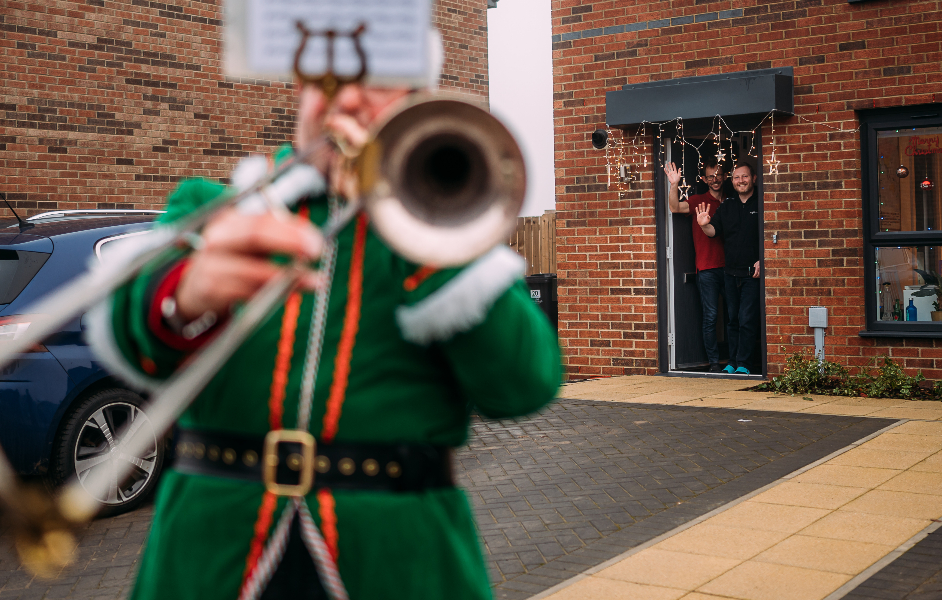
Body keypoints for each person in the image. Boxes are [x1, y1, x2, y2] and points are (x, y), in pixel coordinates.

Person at [88, 80, 562, 600]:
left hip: (401, 555)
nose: (350, 100)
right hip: (211, 548)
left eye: (377, 81)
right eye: (327, 80)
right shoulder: (215, 207)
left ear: (414, 101)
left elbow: (525, 383)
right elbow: (121, 332)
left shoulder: (450, 230)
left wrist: (419, 217)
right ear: (300, 91)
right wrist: (184, 295)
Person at [695, 161, 760, 375]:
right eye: (737, 178)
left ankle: (745, 364)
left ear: (754, 179)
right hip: (730, 272)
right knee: (732, 320)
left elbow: (771, 235)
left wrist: (763, 259)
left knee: (747, 320)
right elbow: (714, 232)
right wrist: (704, 224)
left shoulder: (762, 202)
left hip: (753, 273)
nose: (741, 181)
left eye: (744, 177)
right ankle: (732, 362)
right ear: (732, 182)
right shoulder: (728, 205)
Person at [664, 158, 727, 372]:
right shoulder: (698, 200)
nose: (715, 179)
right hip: (707, 268)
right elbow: (673, 207)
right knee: (710, 318)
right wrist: (674, 184)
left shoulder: (732, 201)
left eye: (718, 175)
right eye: (710, 176)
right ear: (704, 179)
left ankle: (737, 363)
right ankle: (715, 363)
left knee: (735, 317)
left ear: (725, 176)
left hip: (731, 268)